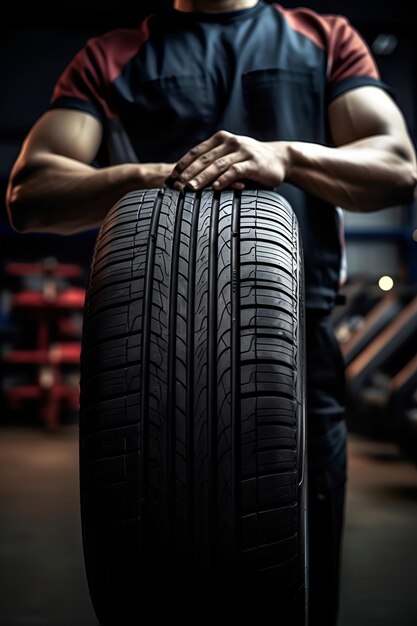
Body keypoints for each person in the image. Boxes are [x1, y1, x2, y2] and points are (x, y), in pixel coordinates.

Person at [5, 1, 417, 624]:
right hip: (152, 362)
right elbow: (29, 191)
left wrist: (289, 157)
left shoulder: (325, 38)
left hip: (298, 355)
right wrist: (150, 180)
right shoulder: (111, 54)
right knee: (154, 581)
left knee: (300, 582)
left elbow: (398, 165)